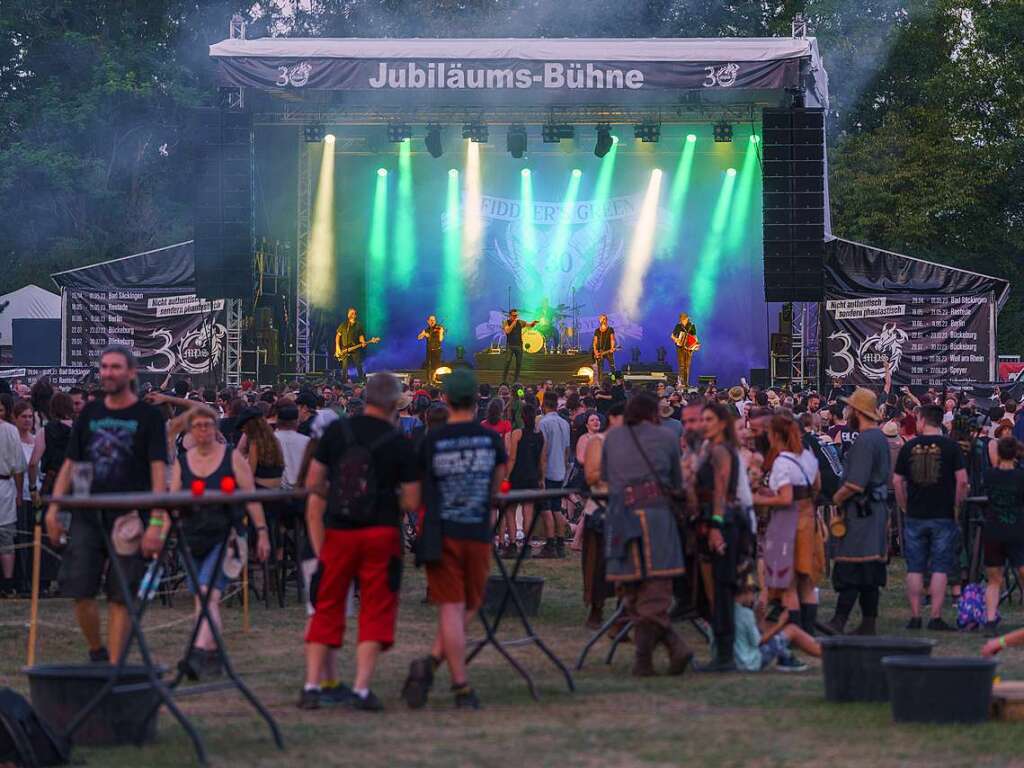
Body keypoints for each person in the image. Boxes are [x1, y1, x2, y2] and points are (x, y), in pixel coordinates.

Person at [300, 372, 420, 711]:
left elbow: (313, 481)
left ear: (364, 397)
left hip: (339, 529)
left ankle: (311, 685)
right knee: (375, 607)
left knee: (327, 603)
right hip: (380, 532)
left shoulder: (338, 431)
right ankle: (361, 688)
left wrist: (341, 494)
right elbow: (412, 501)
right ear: (395, 403)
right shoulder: (398, 442)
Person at [45, 346, 167, 663]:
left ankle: (114, 665)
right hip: (89, 513)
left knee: (121, 593)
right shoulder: (89, 413)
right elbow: (70, 463)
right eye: (104, 367)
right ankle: (97, 651)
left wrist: (156, 522)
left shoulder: (149, 416)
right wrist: (54, 508)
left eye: (115, 367)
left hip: (131, 515)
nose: (109, 372)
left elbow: (158, 472)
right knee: (79, 588)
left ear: (131, 373)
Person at [404, 368, 507, 710]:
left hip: (441, 532)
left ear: (445, 400)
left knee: (453, 607)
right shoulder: (491, 440)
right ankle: (460, 685)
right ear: (477, 401)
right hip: (476, 530)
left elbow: (414, 496)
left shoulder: (431, 440)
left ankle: (431, 663)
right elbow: (496, 488)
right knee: (470, 604)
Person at [157, 407, 270, 679]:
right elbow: (171, 504)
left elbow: (251, 496)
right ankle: (212, 656)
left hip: (226, 537)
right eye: (198, 426)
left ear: (216, 428)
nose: (204, 431)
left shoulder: (232, 459)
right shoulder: (183, 463)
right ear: (191, 431)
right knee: (204, 599)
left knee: (209, 593)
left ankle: (196, 652)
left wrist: (262, 532)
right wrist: (160, 534)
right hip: (192, 537)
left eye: (209, 425)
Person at [603, 391, 692, 676]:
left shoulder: (613, 437)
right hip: (656, 516)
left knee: (632, 588)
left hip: (621, 515)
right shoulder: (666, 437)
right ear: (654, 413)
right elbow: (677, 482)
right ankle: (669, 649)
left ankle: (647, 660)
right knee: (653, 588)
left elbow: (606, 476)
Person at [893, 403, 968, 631]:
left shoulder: (909, 447)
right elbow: (962, 480)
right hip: (943, 514)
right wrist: (956, 504)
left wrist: (904, 505)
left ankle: (915, 616)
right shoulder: (951, 447)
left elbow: (897, 481)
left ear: (922, 421)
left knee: (915, 567)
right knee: (940, 566)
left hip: (915, 513)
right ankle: (935, 616)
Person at [826, 388, 892, 635]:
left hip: (861, 513)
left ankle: (839, 621)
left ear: (858, 411)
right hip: (873, 512)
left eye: (851, 408)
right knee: (868, 570)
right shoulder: (878, 438)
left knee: (853, 565)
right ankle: (868, 623)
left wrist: (837, 497)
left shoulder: (865, 440)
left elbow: (855, 482)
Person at [752, 415, 822, 635]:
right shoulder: (808, 456)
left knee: (788, 582)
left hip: (788, 521)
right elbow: (817, 485)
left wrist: (758, 499)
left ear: (775, 435)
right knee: (806, 581)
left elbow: (784, 498)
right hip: (809, 518)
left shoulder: (782, 461)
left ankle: (795, 631)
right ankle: (809, 631)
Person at [694, 402, 749, 672]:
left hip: (723, 523)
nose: (704, 424)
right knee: (718, 587)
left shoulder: (721, 451)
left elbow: (720, 491)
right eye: (702, 419)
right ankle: (723, 651)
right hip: (718, 521)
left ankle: (726, 654)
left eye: (709, 419)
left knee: (723, 587)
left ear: (722, 423)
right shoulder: (714, 449)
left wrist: (715, 526)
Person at [582, 402, 622, 629]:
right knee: (597, 564)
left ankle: (621, 614)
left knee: (624, 562)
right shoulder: (599, 441)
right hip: (600, 509)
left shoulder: (628, 443)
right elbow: (591, 476)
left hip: (623, 509)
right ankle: (596, 610)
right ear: (615, 419)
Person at [980, 436, 1024, 634]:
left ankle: (990, 620)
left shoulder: (989, 475)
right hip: (1017, 530)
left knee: (994, 579)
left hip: (993, 530)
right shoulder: (1020, 476)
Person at [726, 581, 820, 672]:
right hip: (750, 662)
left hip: (734, 660)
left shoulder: (726, 610)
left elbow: (746, 636)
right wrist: (780, 623)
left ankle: (785, 659)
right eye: (753, 594)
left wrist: (759, 619)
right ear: (746, 592)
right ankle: (827, 653)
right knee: (792, 630)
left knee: (769, 629)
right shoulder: (745, 614)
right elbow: (758, 641)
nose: (753, 599)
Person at [504, 403, 545, 558]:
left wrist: (506, 476)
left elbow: (512, 457)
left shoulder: (517, 434)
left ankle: (513, 543)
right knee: (528, 512)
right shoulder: (540, 436)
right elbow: (542, 460)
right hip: (532, 476)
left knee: (510, 510)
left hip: (517, 476)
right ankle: (527, 545)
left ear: (521, 417)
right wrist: (541, 478)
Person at [538, 391, 571, 558]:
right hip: (560, 470)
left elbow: (543, 451)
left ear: (544, 405)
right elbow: (567, 450)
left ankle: (550, 543)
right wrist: (564, 469)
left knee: (546, 509)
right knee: (557, 508)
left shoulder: (544, 423)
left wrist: (541, 476)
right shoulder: (565, 423)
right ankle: (560, 543)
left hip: (548, 470)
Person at [501, 309, 538, 384]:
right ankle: (504, 380)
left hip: (519, 346)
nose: (516, 317)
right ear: (510, 316)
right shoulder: (505, 322)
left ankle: (515, 381)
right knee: (507, 362)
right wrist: (514, 322)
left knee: (519, 363)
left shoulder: (520, 322)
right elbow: (507, 331)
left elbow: (529, 325)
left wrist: (533, 323)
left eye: (517, 315)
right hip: (510, 345)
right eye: (514, 315)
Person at [335, 307, 367, 383]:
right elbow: (338, 336)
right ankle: (344, 381)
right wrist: (337, 347)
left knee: (358, 364)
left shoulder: (359, 325)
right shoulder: (343, 325)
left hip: (355, 348)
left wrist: (363, 342)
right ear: (348, 314)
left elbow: (361, 336)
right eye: (351, 313)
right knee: (344, 366)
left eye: (354, 313)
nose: (353, 314)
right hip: (344, 348)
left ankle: (361, 381)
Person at [671, 312, 698, 388]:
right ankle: (681, 383)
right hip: (680, 347)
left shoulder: (692, 325)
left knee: (687, 366)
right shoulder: (678, 326)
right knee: (681, 365)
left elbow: (694, 336)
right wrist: (677, 339)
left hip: (689, 348)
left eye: (683, 319)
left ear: (687, 318)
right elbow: (672, 335)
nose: (682, 320)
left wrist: (696, 344)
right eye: (681, 319)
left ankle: (686, 383)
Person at [417, 315, 445, 384]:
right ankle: (428, 380)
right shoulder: (427, 330)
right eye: (431, 320)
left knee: (437, 366)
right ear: (428, 321)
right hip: (429, 350)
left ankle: (437, 379)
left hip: (437, 350)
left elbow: (441, 340)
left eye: (434, 320)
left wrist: (441, 332)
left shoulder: (439, 328)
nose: (433, 321)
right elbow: (419, 338)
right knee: (428, 366)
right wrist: (423, 334)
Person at [592, 314, 617, 384]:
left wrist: (612, 348)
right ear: (599, 320)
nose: (603, 320)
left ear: (607, 320)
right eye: (602, 319)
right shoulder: (597, 330)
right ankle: (600, 382)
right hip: (599, 352)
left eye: (604, 319)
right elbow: (595, 342)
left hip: (608, 351)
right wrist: (595, 352)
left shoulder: (610, 329)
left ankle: (613, 380)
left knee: (612, 367)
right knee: (600, 369)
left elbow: (612, 339)